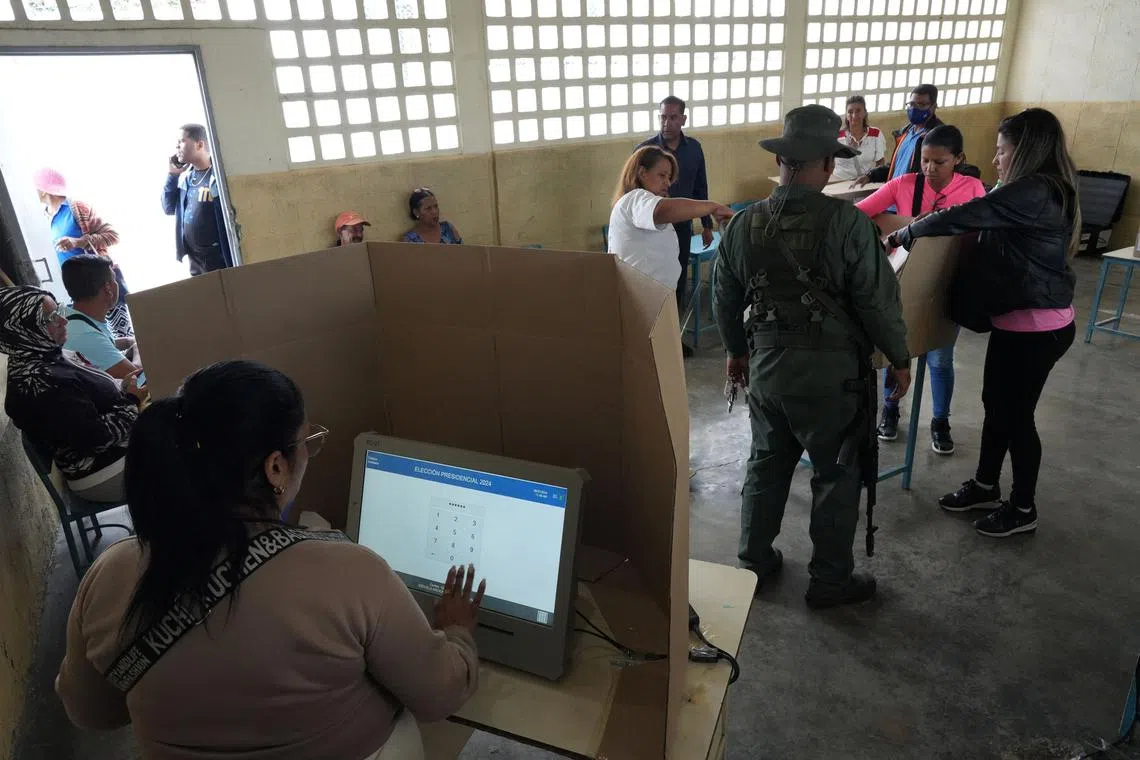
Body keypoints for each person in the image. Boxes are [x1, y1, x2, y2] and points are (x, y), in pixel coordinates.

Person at [55, 360, 486, 760]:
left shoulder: (107, 575)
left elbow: (91, 712)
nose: (307, 454)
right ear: (276, 467)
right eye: (306, 442)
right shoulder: (349, 574)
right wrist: (458, 632)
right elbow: (439, 695)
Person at [713, 105, 911, 609]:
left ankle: (753, 563)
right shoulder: (848, 225)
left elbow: (724, 297)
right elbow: (876, 299)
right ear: (825, 162)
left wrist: (737, 353)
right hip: (831, 379)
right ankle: (829, 580)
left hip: (767, 370)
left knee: (766, 464)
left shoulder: (742, 225)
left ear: (782, 161)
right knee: (836, 475)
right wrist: (900, 356)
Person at [886, 108, 1079, 538]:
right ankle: (986, 484)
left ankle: (1023, 507)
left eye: (1002, 150)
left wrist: (906, 233)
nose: (995, 160)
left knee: (1017, 417)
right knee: (997, 406)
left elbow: (967, 213)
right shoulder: (1033, 189)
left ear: (1023, 151)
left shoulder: (1035, 191)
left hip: (1038, 325)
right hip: (1017, 320)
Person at [855, 125, 987, 453]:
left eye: (939, 162)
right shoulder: (903, 185)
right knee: (895, 351)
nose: (929, 169)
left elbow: (986, 231)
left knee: (941, 359)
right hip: (905, 284)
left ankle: (940, 420)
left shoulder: (973, 190)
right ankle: (890, 410)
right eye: (925, 161)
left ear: (959, 159)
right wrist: (876, 236)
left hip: (947, 287)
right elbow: (856, 216)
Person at [0, 286, 144, 502]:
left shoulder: (47, 353)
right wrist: (132, 399)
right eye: (51, 317)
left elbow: (92, 390)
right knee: (185, 447)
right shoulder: (39, 383)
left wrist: (123, 386)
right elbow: (99, 438)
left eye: (58, 309)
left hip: (117, 450)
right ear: (25, 330)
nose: (63, 320)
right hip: (103, 472)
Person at [608, 146, 733, 294]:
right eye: (662, 175)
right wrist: (713, 207)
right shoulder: (634, 199)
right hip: (640, 298)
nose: (668, 183)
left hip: (654, 297)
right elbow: (661, 211)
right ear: (642, 173)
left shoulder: (641, 203)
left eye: (669, 178)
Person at [637, 96, 716, 314]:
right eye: (663, 117)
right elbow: (632, 191)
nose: (666, 123)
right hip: (650, 228)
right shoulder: (645, 151)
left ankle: (673, 335)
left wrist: (706, 225)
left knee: (678, 278)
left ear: (683, 119)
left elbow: (701, 187)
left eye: (673, 117)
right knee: (653, 280)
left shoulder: (694, 149)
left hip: (681, 227)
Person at [33, 167, 134, 339]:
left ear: (44, 190)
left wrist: (79, 242)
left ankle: (134, 366)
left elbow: (112, 235)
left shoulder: (76, 208)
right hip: (78, 290)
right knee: (98, 338)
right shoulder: (45, 218)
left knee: (122, 335)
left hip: (101, 283)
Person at [162, 123, 233, 276]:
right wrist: (172, 175)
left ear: (199, 145)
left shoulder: (219, 176)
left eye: (181, 141)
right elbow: (168, 207)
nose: (177, 146)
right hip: (195, 261)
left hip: (218, 260)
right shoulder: (186, 179)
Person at [60, 255, 141, 381]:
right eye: (115, 279)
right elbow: (137, 377)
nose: (117, 283)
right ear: (108, 288)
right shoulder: (86, 335)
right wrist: (138, 347)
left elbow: (99, 343)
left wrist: (128, 341)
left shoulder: (70, 313)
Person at [853, 84, 943, 186]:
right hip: (895, 196)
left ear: (934, 106)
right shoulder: (905, 132)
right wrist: (871, 176)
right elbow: (896, 166)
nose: (914, 108)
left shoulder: (938, 138)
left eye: (921, 104)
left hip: (913, 198)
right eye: (912, 104)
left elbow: (936, 175)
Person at [833, 95, 887, 181]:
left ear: (865, 113)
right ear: (846, 115)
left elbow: (880, 162)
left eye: (858, 111)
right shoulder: (836, 136)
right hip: (840, 183)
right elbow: (828, 164)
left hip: (864, 183)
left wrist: (872, 177)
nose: (854, 115)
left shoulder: (876, 134)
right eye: (850, 112)